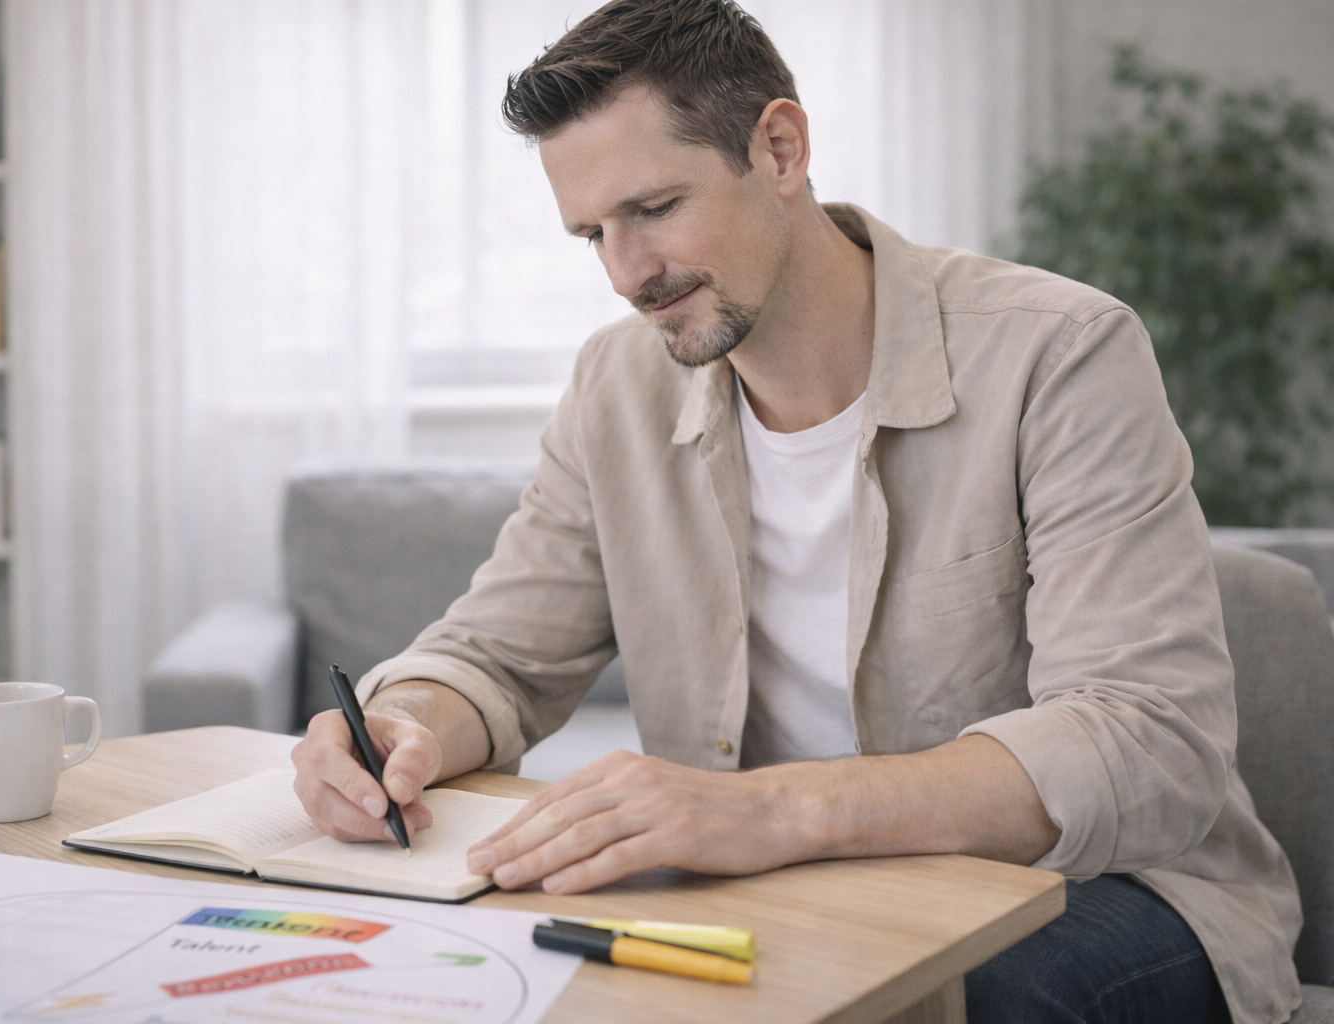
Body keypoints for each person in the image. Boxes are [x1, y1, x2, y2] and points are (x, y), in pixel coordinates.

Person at [291, 2, 1300, 1021]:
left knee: (957, 991)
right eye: (594, 233)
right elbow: (498, 656)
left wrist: (760, 811)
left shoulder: (1060, 353)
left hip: (1112, 891)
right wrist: (401, 724)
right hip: (792, 894)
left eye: (655, 207)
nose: (628, 274)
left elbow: (1146, 743)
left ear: (779, 146)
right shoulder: (616, 387)